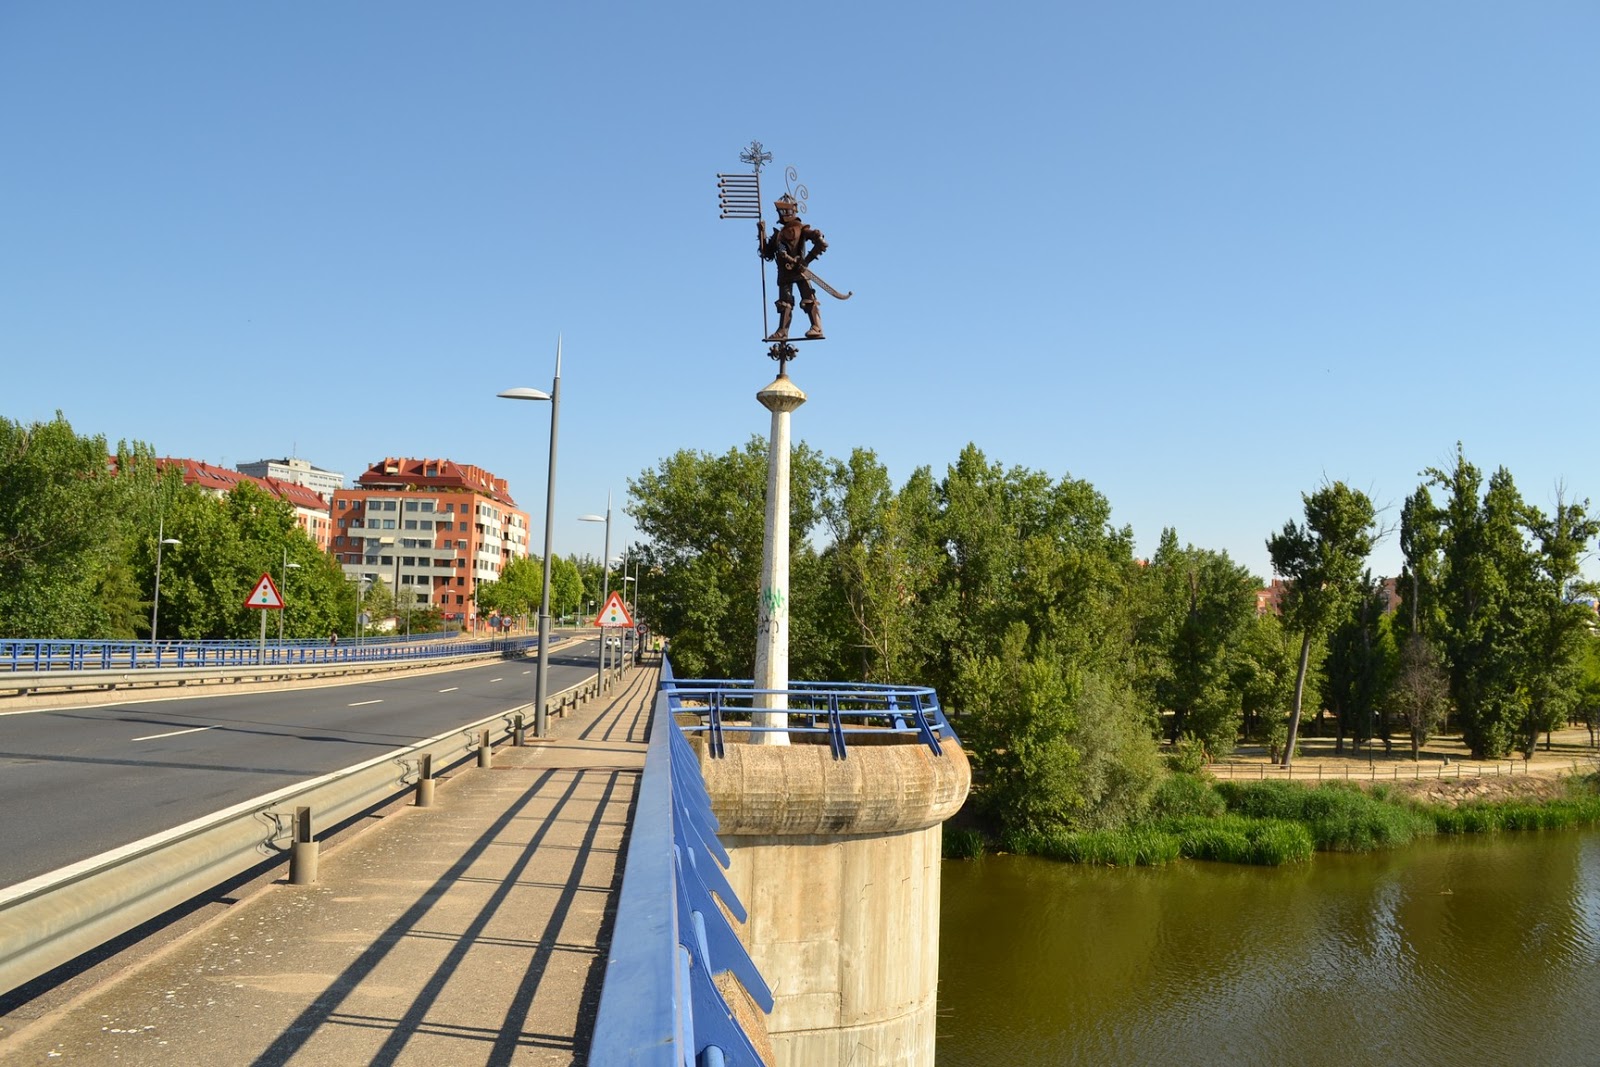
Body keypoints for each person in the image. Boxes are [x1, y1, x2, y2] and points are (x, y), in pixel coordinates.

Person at [760, 194, 827, 340]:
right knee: (785, 303)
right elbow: (767, 254)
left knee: (808, 298)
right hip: (784, 273)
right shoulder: (778, 235)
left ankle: (816, 326)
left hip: (799, 270)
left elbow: (821, 242)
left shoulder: (800, 229)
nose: (783, 213)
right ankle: (782, 331)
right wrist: (762, 234)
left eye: (786, 210)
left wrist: (805, 261)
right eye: (781, 211)